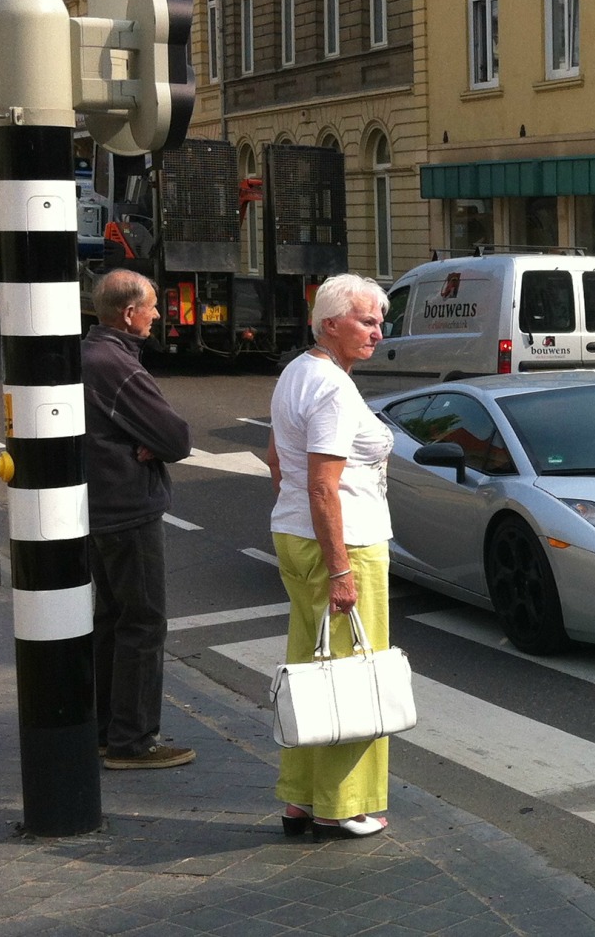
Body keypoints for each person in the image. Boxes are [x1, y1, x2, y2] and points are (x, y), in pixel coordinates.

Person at [266, 273, 394, 840]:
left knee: (312, 668)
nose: (377, 332)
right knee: (351, 674)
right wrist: (340, 566)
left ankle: (300, 797)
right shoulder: (334, 388)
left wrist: (299, 514)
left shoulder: (298, 371)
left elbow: (277, 457)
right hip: (346, 546)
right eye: (367, 321)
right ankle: (342, 805)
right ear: (330, 323)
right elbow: (325, 484)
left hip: (295, 536)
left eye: (379, 321)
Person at [83, 269, 194, 769]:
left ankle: (106, 730)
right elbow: (176, 438)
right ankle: (132, 741)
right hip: (128, 510)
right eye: (151, 306)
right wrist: (148, 445)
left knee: (110, 621)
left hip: (96, 511)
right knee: (143, 624)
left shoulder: (88, 354)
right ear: (129, 315)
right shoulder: (118, 365)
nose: (156, 314)